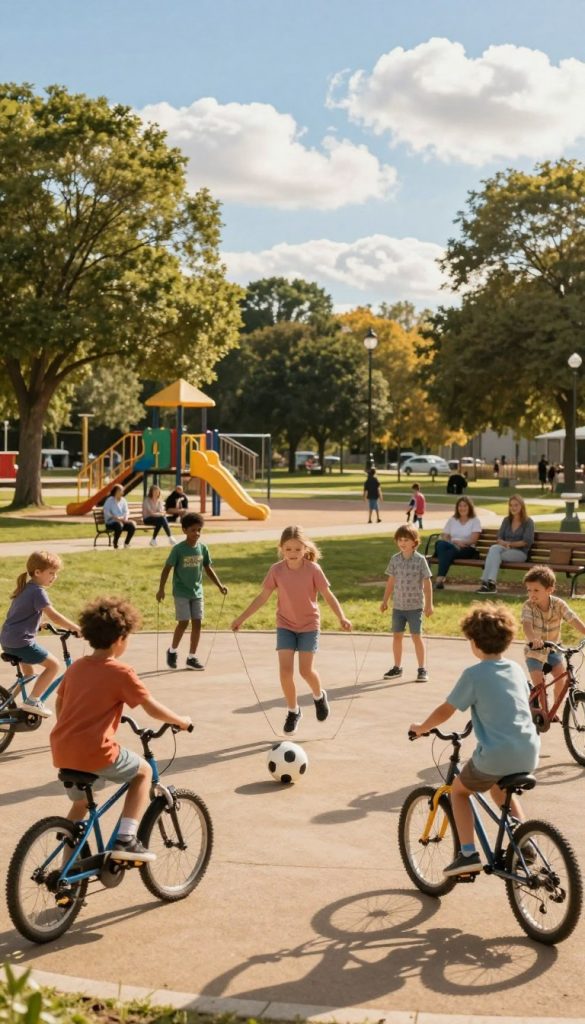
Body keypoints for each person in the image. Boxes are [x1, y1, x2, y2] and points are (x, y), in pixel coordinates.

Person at [50, 596, 191, 863]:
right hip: (96, 750)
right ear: (120, 640)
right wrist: (180, 720)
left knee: (81, 805)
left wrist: (69, 726)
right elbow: (150, 708)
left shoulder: (76, 667)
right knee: (143, 772)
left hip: (63, 747)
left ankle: (65, 870)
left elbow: (60, 700)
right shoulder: (121, 672)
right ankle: (126, 839)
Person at [410, 602, 540, 876]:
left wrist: (421, 727)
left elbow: (447, 710)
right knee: (497, 787)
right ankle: (526, 841)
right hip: (528, 750)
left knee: (459, 791)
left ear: (474, 643)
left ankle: (467, 853)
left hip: (496, 754)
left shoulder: (474, 674)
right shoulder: (516, 668)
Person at [231, 525, 352, 734]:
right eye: (288, 549)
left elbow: (328, 595)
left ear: (305, 549)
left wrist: (341, 617)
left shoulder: (313, 569)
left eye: (297, 549)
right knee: (285, 672)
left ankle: (318, 696)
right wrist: (241, 618)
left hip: (309, 626)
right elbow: (262, 597)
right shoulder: (276, 570)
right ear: (281, 549)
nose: (293, 554)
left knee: (306, 671)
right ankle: (293, 710)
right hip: (285, 624)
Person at [0, 551, 79, 718]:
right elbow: (54, 615)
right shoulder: (38, 591)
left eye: (55, 573)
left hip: (8, 640)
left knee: (29, 674)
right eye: (51, 573)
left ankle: (6, 703)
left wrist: (37, 624)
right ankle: (33, 700)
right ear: (37, 572)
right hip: (21, 643)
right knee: (53, 666)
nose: (54, 577)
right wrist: (76, 628)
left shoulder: (25, 588)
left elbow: (18, 615)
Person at [156, 512, 228, 671]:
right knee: (183, 622)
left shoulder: (203, 548)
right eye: (192, 530)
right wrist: (161, 589)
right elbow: (167, 569)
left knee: (197, 623)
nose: (196, 533)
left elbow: (208, 568)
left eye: (199, 530)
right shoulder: (178, 550)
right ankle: (172, 651)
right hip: (181, 591)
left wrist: (219, 585)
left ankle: (191, 657)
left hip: (197, 592)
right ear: (184, 531)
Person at [521, 565, 585, 711]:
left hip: (553, 649)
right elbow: (527, 625)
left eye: (536, 590)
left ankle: (556, 709)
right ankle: (544, 710)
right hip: (534, 651)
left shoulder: (558, 604)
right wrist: (533, 639)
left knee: (561, 679)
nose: (532, 594)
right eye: (529, 590)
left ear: (549, 590)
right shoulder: (528, 606)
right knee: (539, 685)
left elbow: (573, 619)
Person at [380, 524, 433, 682]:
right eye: (399, 539)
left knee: (416, 637)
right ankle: (397, 667)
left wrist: (429, 604)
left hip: (415, 607)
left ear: (414, 542)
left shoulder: (420, 560)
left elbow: (427, 583)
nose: (402, 542)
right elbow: (391, 581)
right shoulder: (395, 559)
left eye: (406, 539)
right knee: (397, 636)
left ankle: (422, 669)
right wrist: (385, 600)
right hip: (398, 607)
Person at [476, 495, 534, 594]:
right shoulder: (507, 520)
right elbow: (499, 538)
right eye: (511, 505)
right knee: (495, 550)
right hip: (503, 550)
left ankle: (486, 583)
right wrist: (503, 543)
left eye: (516, 505)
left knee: (493, 553)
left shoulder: (528, 522)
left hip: (520, 553)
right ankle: (490, 583)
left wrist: (510, 544)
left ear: (522, 506)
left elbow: (526, 541)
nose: (513, 508)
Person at [434, 496, 481, 590]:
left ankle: (439, 580)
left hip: (467, 549)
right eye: (460, 506)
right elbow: (445, 536)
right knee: (441, 544)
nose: (462, 508)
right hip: (452, 546)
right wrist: (454, 542)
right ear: (457, 507)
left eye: (465, 506)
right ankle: (439, 580)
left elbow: (473, 540)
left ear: (470, 507)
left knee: (446, 550)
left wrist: (460, 542)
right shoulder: (452, 520)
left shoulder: (475, 520)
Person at [103, 484, 136, 549]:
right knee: (119, 525)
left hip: (122, 521)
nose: (122, 492)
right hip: (111, 523)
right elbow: (106, 512)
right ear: (116, 491)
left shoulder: (123, 500)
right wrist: (116, 518)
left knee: (132, 525)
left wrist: (125, 518)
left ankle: (126, 543)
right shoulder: (109, 501)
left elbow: (126, 511)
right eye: (121, 491)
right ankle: (115, 543)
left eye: (122, 491)